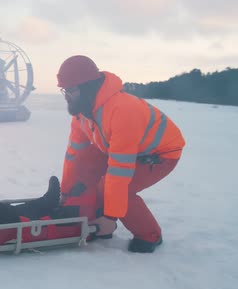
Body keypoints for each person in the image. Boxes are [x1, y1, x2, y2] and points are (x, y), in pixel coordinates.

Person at [56, 55, 185, 253]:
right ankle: (91, 220)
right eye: (64, 90)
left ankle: (149, 235)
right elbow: (74, 155)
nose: (67, 96)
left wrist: (110, 216)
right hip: (121, 149)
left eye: (71, 90)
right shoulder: (82, 114)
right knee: (84, 162)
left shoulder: (122, 110)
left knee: (115, 188)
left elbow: (119, 170)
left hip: (159, 154)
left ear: (87, 87)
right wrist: (65, 193)